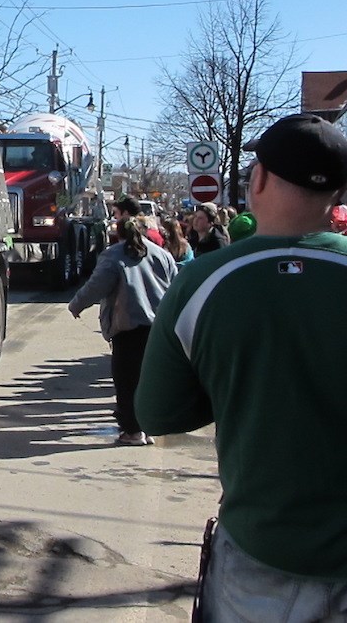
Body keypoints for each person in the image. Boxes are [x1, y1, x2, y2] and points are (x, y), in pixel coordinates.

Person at [137, 113, 347, 618]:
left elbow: (157, 414)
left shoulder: (204, 281)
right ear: (338, 193)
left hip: (262, 554)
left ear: (258, 179)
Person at [68, 216, 178, 446]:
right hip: (158, 329)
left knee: (127, 382)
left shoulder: (114, 255)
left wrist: (77, 304)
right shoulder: (162, 255)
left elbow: (97, 285)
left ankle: (132, 431)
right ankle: (149, 427)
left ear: (117, 234)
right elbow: (176, 287)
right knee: (150, 381)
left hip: (128, 328)